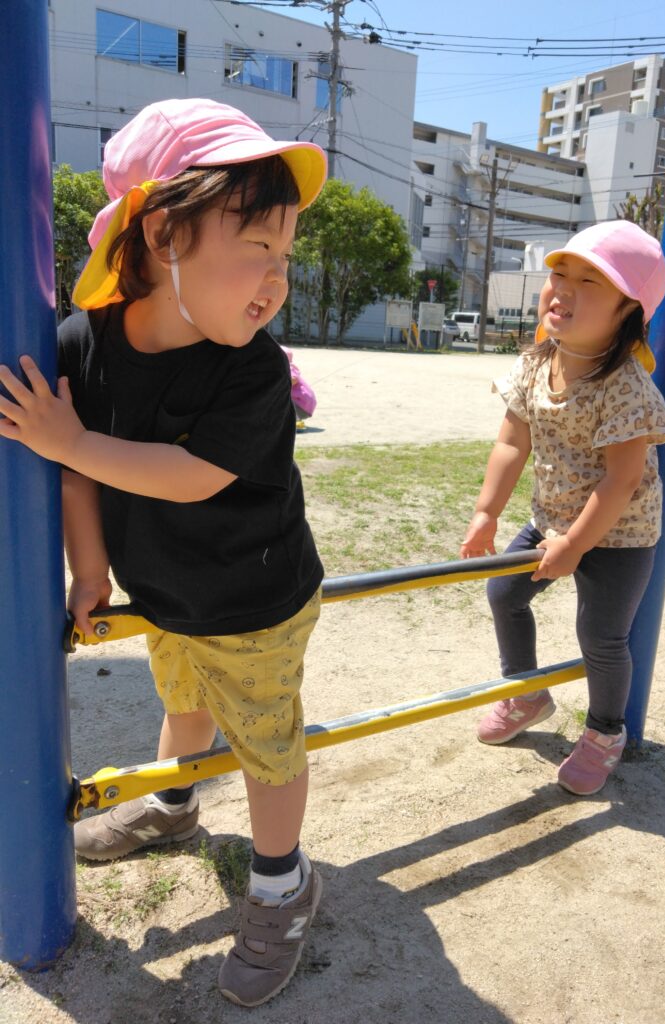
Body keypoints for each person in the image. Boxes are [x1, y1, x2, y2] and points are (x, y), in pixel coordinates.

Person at [0, 98, 328, 1007]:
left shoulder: (252, 368)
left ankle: (282, 884)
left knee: (266, 743)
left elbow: (191, 476)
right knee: (182, 703)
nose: (277, 278)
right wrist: (90, 571)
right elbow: (74, 476)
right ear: (162, 233)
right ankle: (175, 809)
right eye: (258, 246)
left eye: (286, 256)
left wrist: (70, 442)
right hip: (162, 592)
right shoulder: (82, 343)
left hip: (257, 597)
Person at [460, 221, 665, 796]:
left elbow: (622, 478)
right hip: (550, 519)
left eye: (589, 282)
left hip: (619, 534)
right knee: (505, 593)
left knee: (602, 635)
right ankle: (527, 691)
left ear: (629, 312)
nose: (563, 288)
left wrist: (576, 545)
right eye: (559, 274)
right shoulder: (535, 364)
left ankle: (605, 732)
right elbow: (511, 443)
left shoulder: (625, 386)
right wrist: (487, 512)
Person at [281, 346, 317, 429]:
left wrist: (281, 385)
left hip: (302, 406)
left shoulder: (289, 367)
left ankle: (295, 420)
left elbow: (294, 379)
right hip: (302, 405)